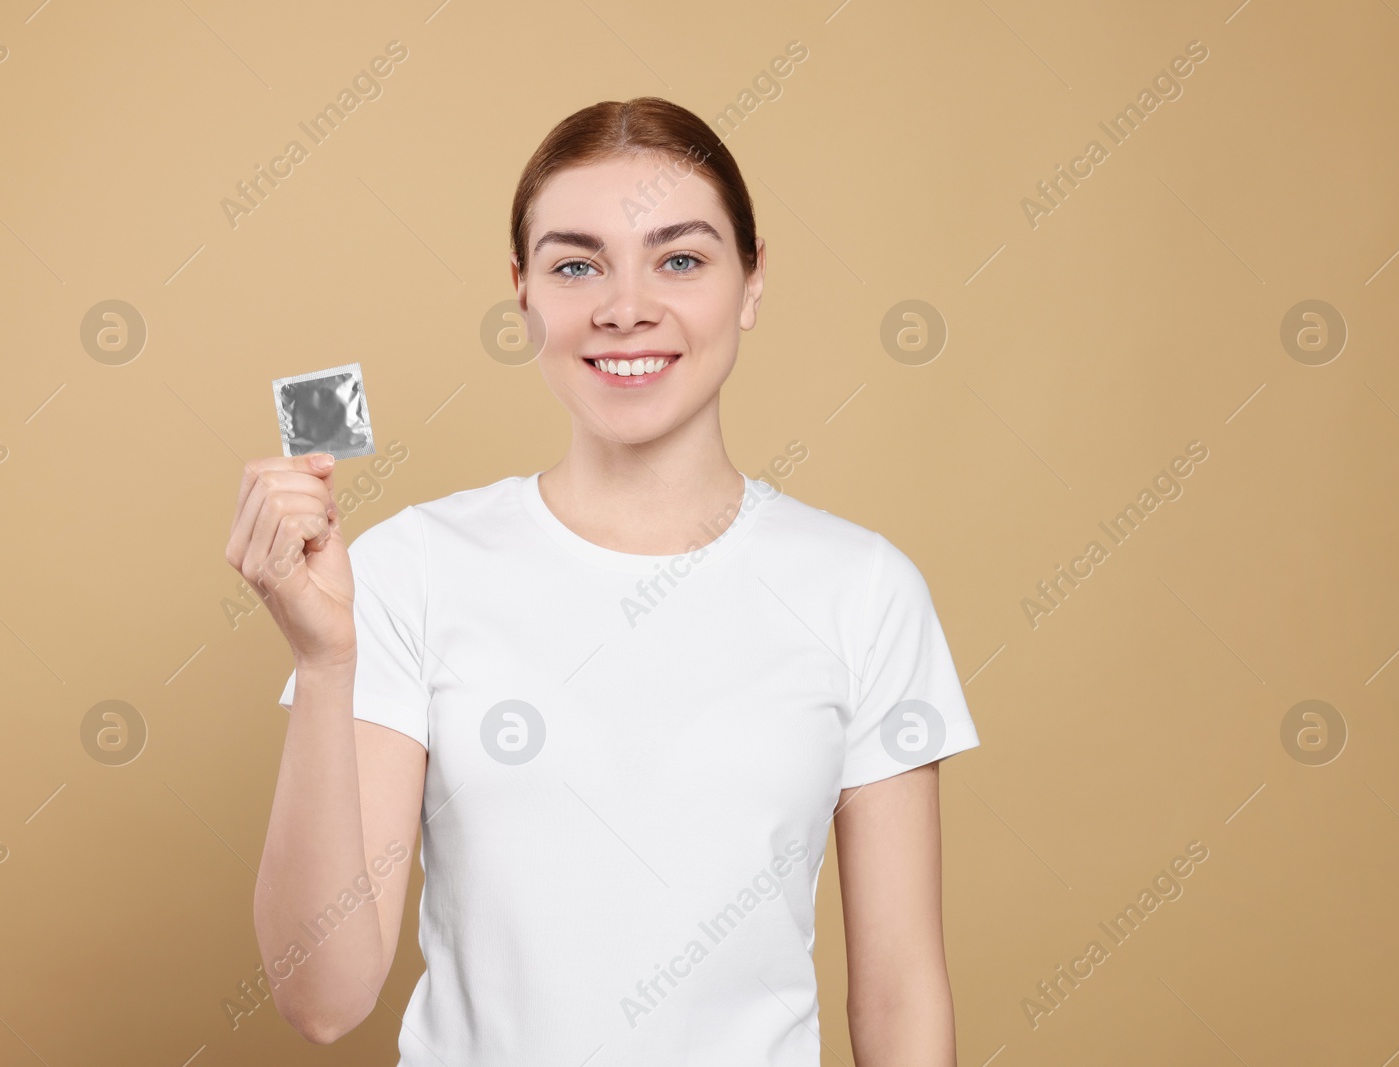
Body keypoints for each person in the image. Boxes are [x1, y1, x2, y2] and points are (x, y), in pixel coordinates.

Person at [224, 95, 981, 1066]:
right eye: (576, 264)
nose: (625, 306)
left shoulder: (864, 589)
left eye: (680, 258)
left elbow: (901, 993)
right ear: (523, 294)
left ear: (751, 280)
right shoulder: (408, 570)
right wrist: (326, 661)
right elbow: (322, 998)